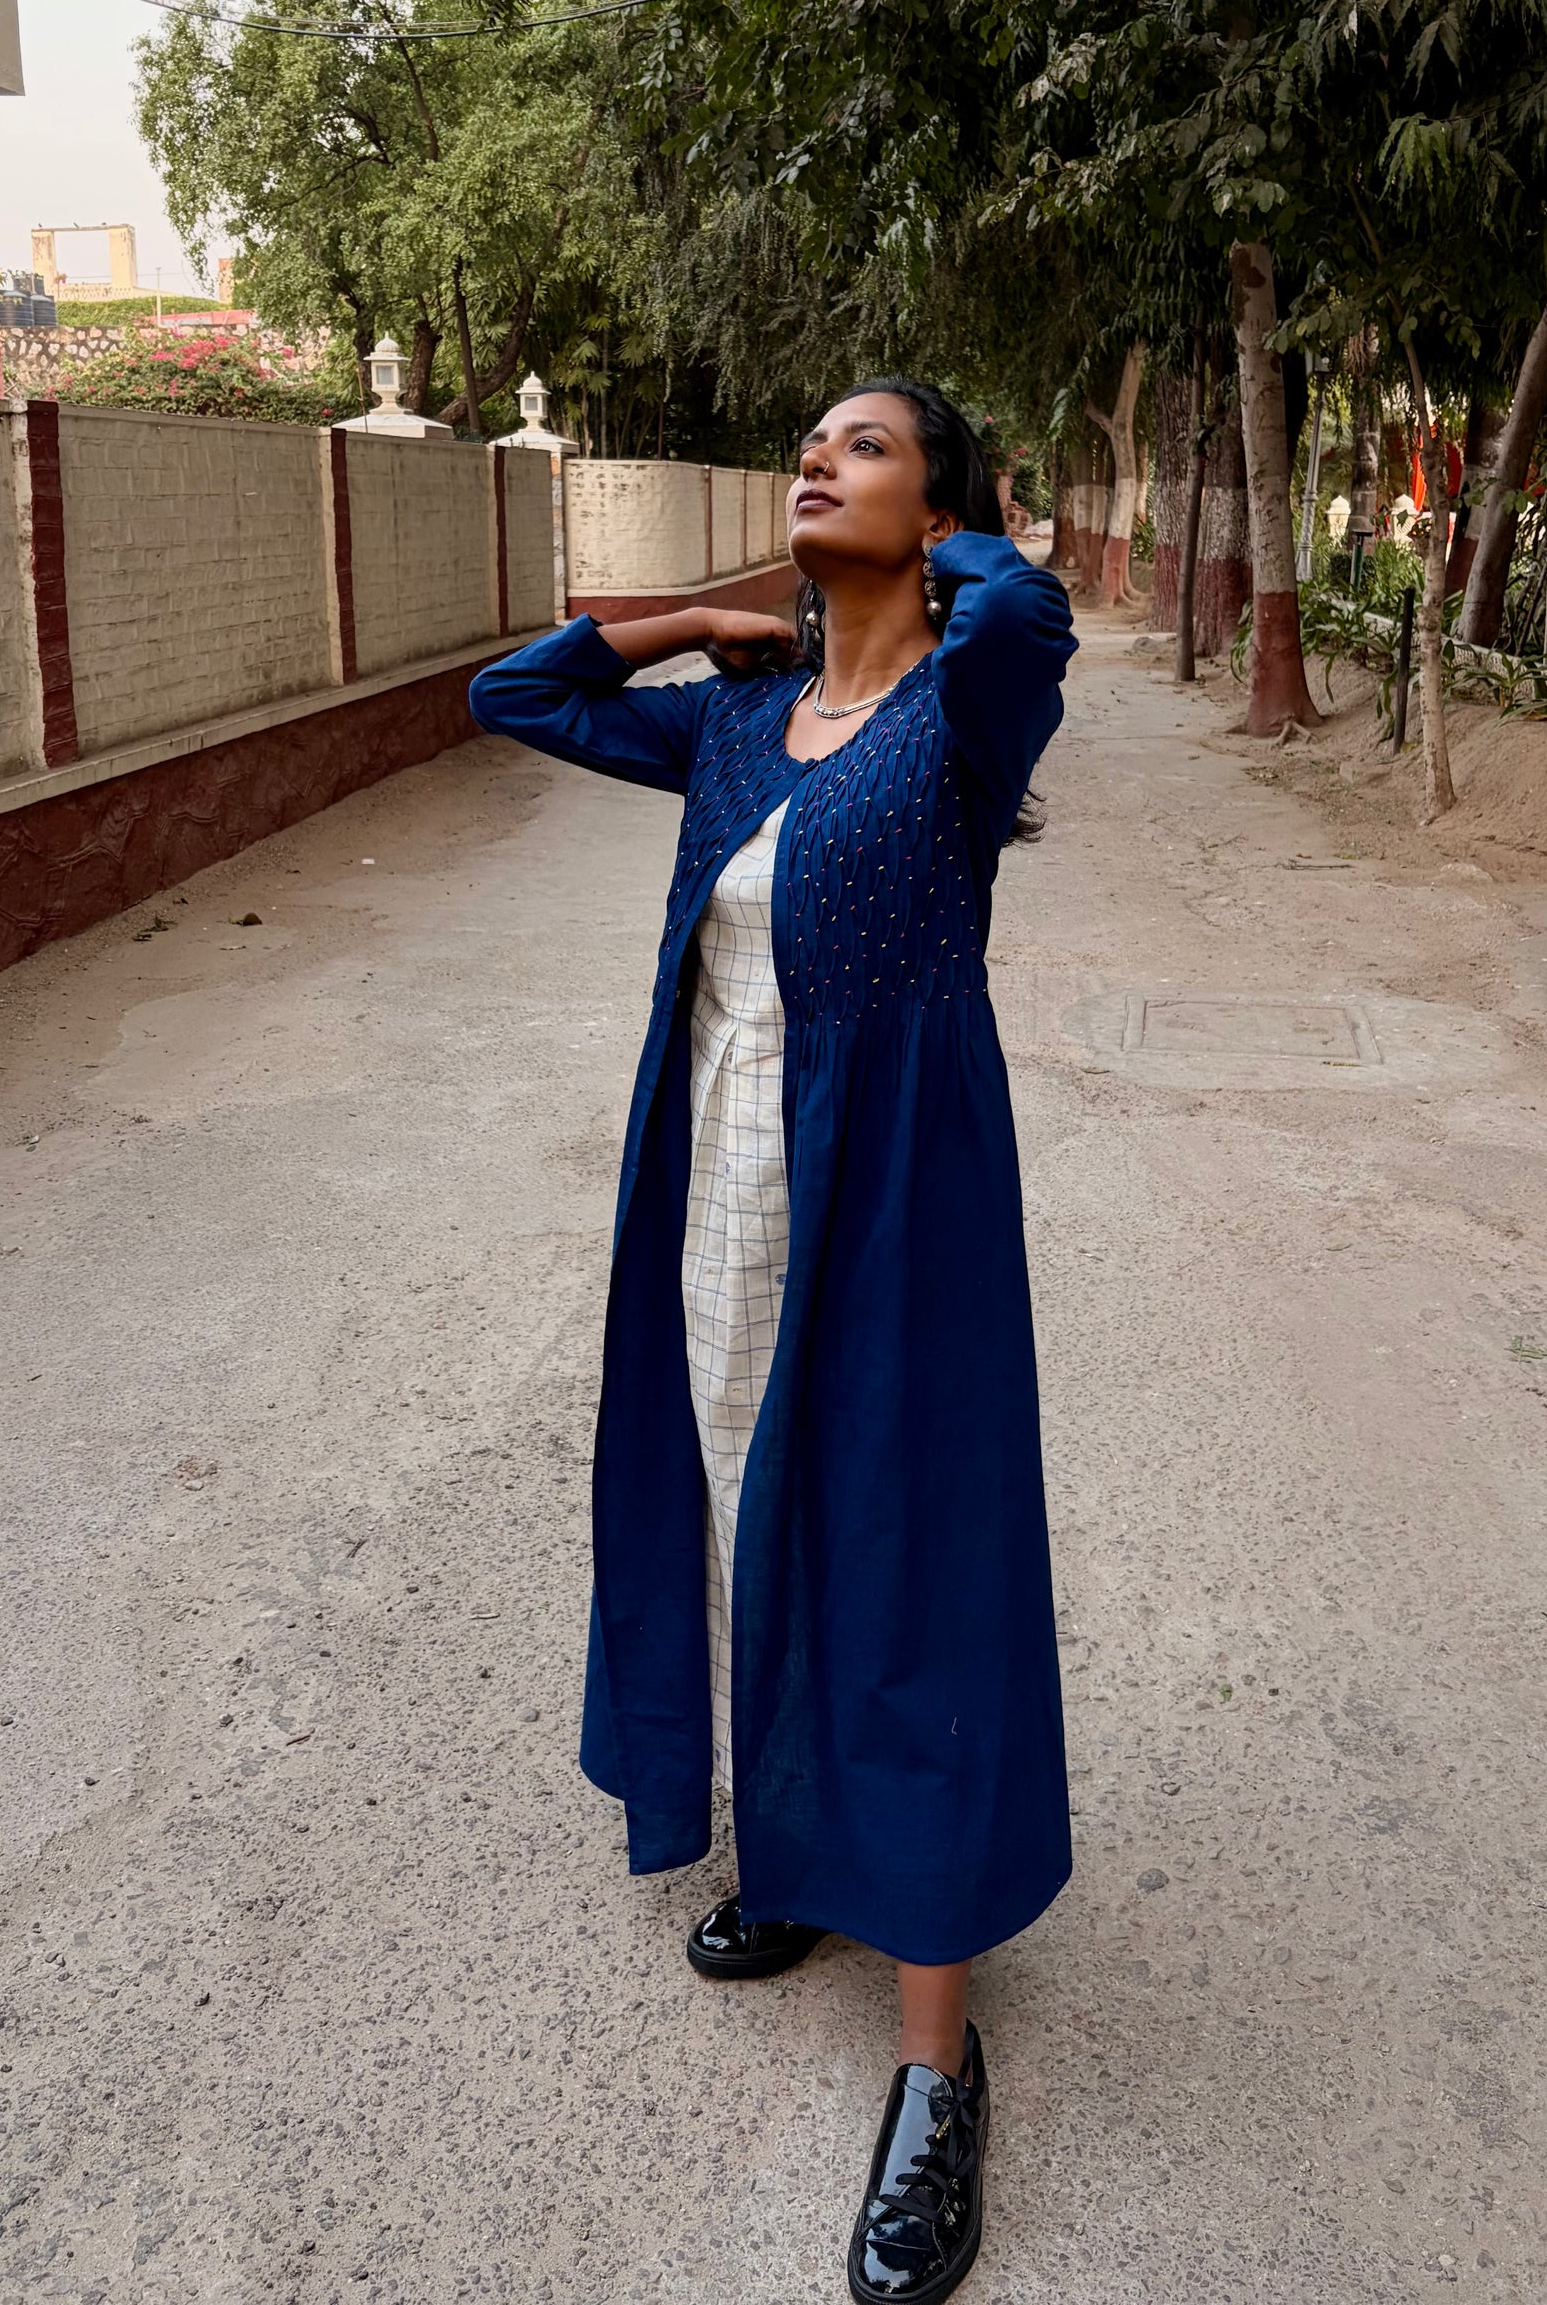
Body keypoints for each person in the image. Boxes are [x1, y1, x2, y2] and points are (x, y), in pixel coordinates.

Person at [469, 379, 1075, 2302]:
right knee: (745, 1503)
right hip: (721, 1167)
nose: (818, 461)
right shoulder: (741, 725)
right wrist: (708, 622)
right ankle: (806, 1855)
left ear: (940, 507)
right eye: (809, 445)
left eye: (864, 447)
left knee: (906, 1554)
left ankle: (935, 2064)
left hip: (892, 1185)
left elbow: (1027, 610)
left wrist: (931, 550)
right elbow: (522, 694)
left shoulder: (969, 713)